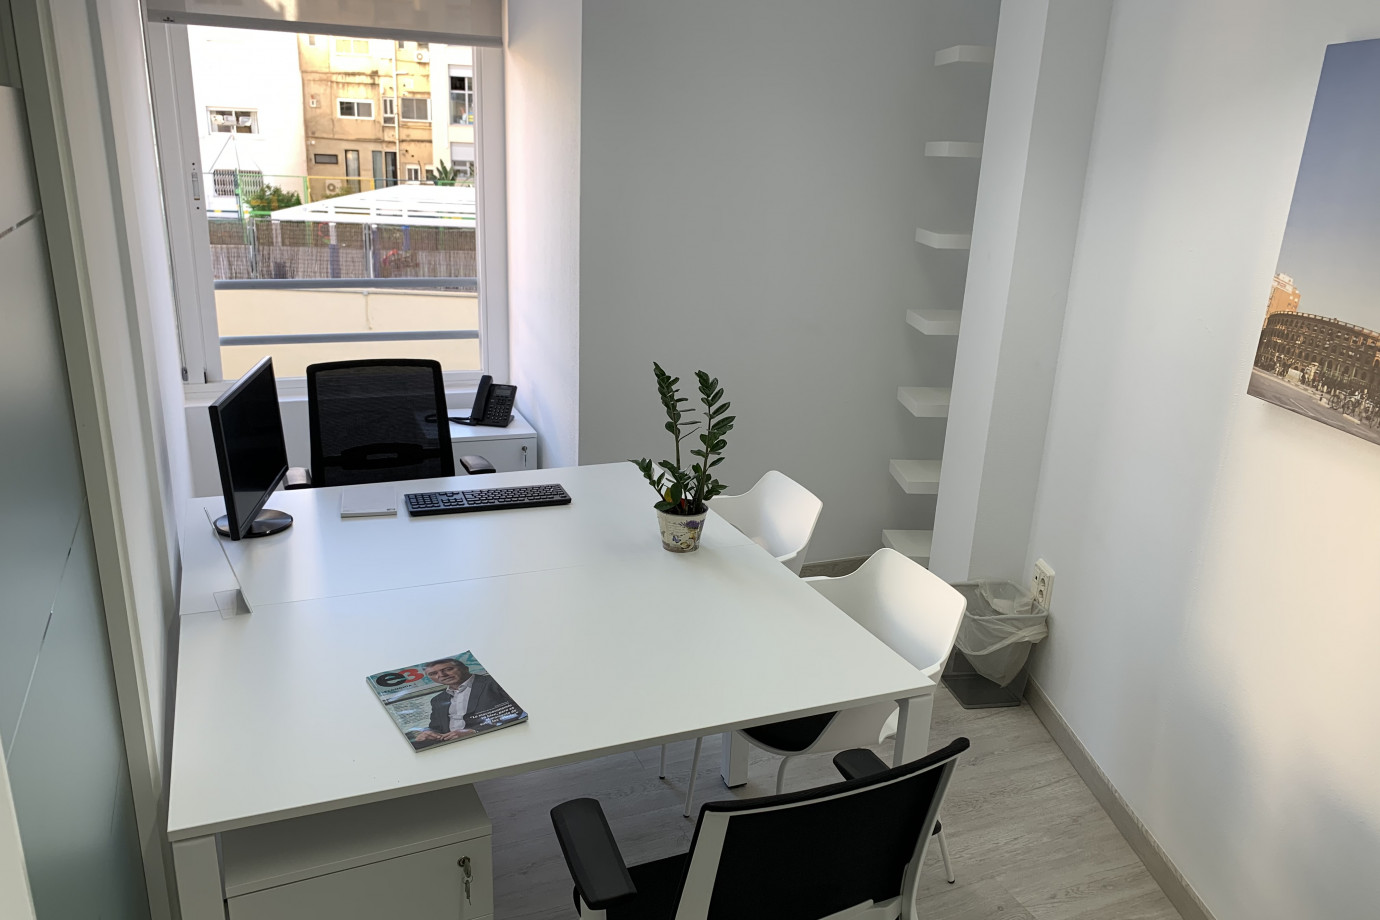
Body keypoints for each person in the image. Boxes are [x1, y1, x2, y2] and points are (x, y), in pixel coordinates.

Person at [413, 658, 519, 744]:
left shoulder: (493, 682)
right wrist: (428, 732)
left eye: (448, 669)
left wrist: (474, 731)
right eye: (433, 673)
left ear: (465, 668)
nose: (441, 675)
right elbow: (436, 727)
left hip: (492, 737)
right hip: (450, 744)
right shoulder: (437, 699)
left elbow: (517, 711)